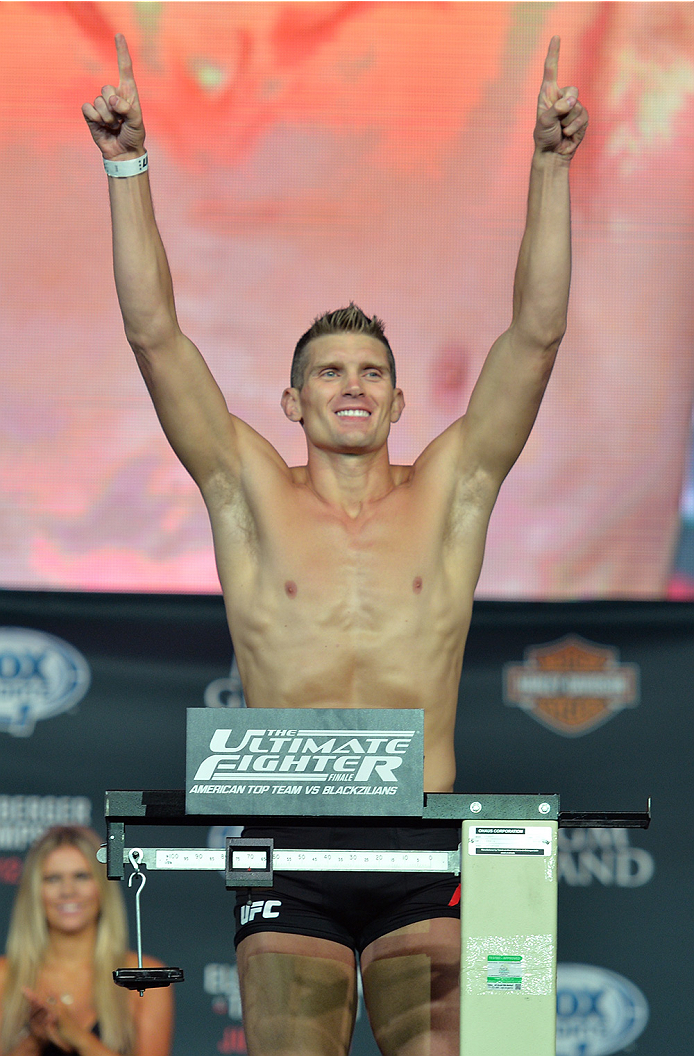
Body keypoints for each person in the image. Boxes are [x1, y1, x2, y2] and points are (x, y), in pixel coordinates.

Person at [82, 32, 587, 1056]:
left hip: (425, 839)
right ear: (291, 399)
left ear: (401, 399)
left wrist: (547, 168)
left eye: (369, 371)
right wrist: (128, 166)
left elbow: (533, 335)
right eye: (328, 371)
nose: (351, 384)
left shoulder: (452, 491)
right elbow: (154, 336)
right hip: (287, 850)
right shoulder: (247, 490)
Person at [0, 827, 173, 1056]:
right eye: (53, 879)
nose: (68, 891)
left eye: (81, 876)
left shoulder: (145, 977)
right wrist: (33, 1040)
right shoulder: (4, 976)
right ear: (34, 891)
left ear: (103, 887)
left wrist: (77, 1037)